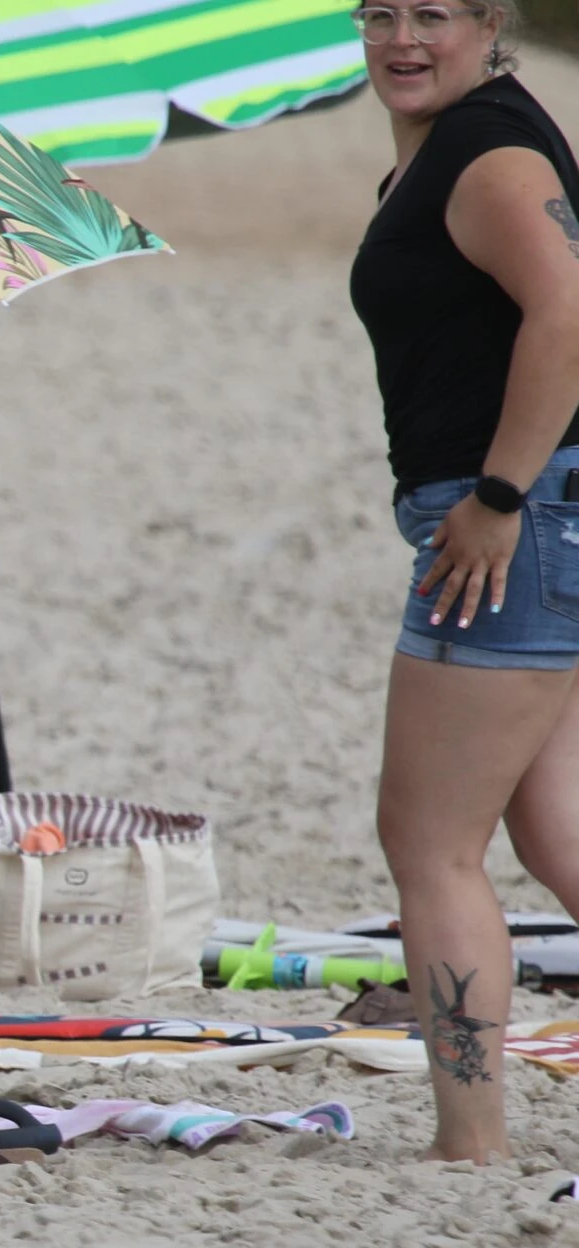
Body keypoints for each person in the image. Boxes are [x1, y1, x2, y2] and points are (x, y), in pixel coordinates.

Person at [350, 0, 579, 1164]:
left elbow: (571, 316)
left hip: (511, 524)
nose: (401, 36)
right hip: (542, 521)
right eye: (379, 11)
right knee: (557, 831)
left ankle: (471, 1141)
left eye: (431, 13)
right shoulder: (457, 143)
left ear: (489, 21)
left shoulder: (490, 154)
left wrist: (495, 497)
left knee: (430, 843)